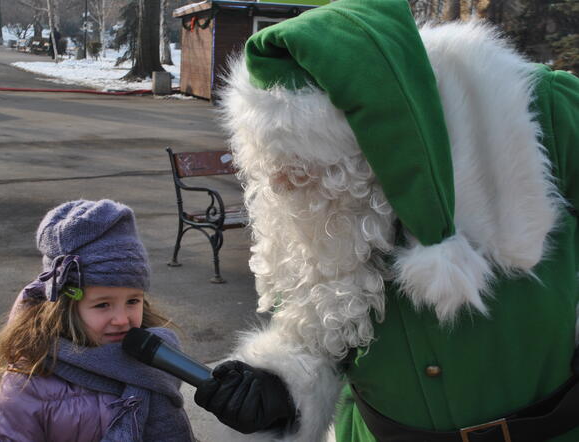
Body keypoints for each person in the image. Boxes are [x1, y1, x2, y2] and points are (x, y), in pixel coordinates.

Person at [193, 0, 579, 441]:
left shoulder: (538, 111)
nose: (283, 183)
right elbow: (315, 332)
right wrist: (278, 386)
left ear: (379, 133)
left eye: (304, 163)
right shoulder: (311, 205)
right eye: (274, 162)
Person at [0, 199, 195, 442]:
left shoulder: (152, 356)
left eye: (133, 301)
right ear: (65, 305)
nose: (122, 320)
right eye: (103, 304)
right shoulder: (28, 383)